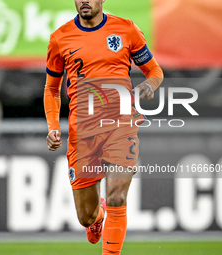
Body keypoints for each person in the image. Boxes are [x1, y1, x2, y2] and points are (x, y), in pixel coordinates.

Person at [44, 0, 163, 254]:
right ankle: (98, 218)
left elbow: (154, 70)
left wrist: (150, 85)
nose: (84, 1)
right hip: (83, 131)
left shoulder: (127, 30)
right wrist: (53, 126)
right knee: (86, 216)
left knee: (117, 197)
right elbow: (51, 89)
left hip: (121, 124)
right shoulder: (60, 38)